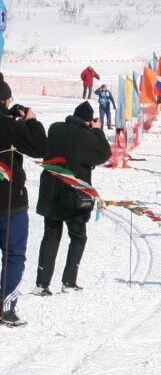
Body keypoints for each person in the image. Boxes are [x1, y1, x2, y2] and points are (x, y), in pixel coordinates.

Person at [34, 101, 112, 295]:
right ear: (89, 120)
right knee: (78, 237)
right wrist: (98, 131)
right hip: (74, 196)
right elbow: (104, 154)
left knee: (51, 237)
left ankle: (42, 284)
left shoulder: (55, 128)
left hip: (51, 193)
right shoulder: (87, 136)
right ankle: (69, 281)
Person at [0, 75, 48, 325]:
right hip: (10, 203)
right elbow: (40, 147)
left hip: (11, 201)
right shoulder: (9, 126)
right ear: (5, 100)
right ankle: (6, 308)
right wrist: (30, 121)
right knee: (14, 255)